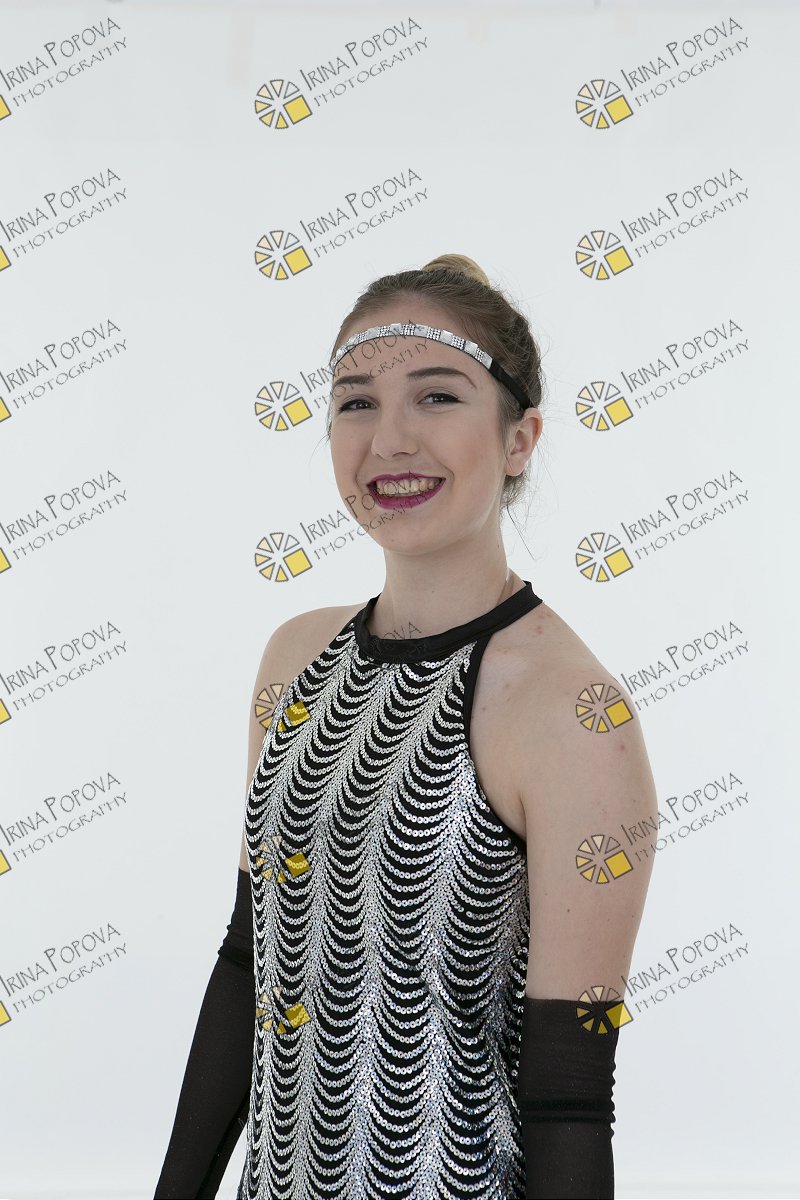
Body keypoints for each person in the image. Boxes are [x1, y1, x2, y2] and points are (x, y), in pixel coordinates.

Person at [154, 254, 658, 1199]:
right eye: (356, 403)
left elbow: (571, 1093)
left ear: (520, 438)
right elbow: (247, 967)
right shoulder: (294, 658)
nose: (389, 440)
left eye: (437, 396)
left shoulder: (571, 713)